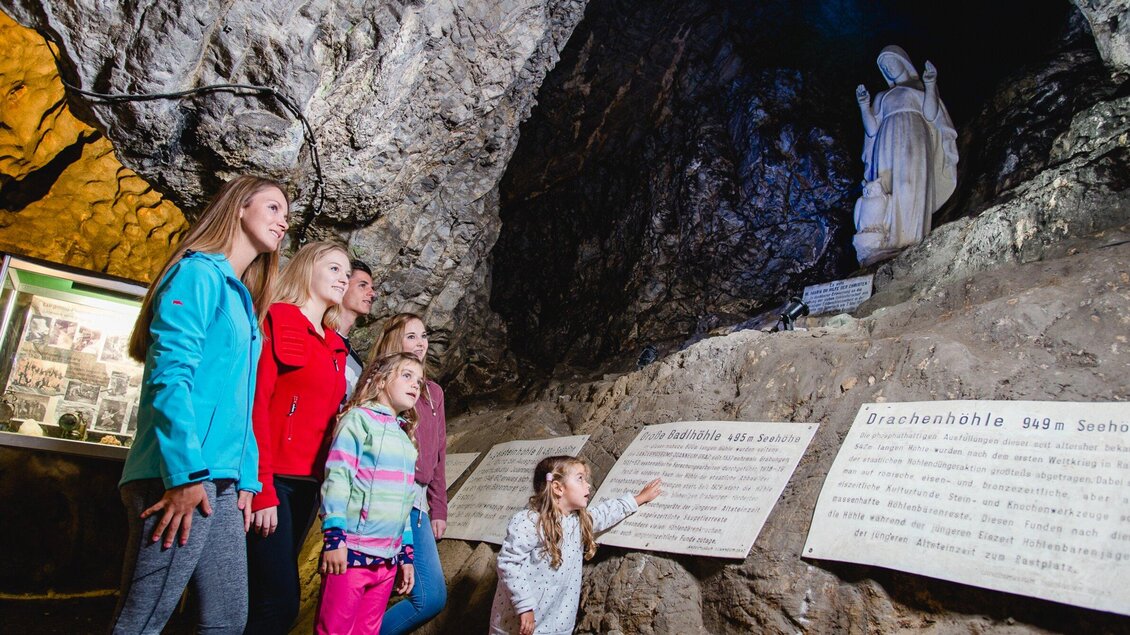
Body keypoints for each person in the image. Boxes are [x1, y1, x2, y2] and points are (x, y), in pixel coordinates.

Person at [110, 175, 289, 634]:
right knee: (143, 618)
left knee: (228, 619)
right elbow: (170, 379)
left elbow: (240, 403)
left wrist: (246, 477)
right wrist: (185, 475)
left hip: (222, 482)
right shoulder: (197, 273)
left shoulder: (244, 301)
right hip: (180, 475)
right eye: (272, 207)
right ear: (239, 207)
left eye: (285, 214)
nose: (282, 220)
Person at [245, 241, 351, 634]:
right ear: (308, 268)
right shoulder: (279, 320)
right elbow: (258, 405)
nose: (344, 278)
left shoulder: (335, 344)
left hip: (310, 484)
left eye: (347, 272)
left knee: (263, 597)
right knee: (279, 602)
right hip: (275, 481)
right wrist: (261, 487)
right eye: (335, 269)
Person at [489, 456, 662, 635]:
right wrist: (524, 607)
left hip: (556, 623)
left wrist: (639, 498)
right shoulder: (530, 521)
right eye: (580, 478)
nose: (587, 485)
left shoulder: (577, 522)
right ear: (557, 488)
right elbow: (509, 564)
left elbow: (605, 513)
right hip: (517, 623)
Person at [316, 352, 422, 634]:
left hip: (387, 559)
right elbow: (338, 478)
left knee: (368, 630)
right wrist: (334, 537)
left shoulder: (405, 438)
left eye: (420, 382)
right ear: (382, 380)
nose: (415, 385)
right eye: (407, 376)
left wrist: (406, 555)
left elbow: (406, 501)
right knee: (334, 629)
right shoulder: (358, 420)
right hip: (351, 552)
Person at [374, 314, 449, 635]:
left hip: (416, 504)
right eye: (411, 337)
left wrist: (439, 506)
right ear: (395, 343)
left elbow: (440, 452)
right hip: (384, 498)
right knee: (373, 589)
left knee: (429, 597)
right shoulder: (385, 389)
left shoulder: (433, 392)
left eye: (424, 336)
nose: (421, 344)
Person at [853, 45, 958, 266]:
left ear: (903, 62)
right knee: (886, 189)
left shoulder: (918, 88)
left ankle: (910, 240)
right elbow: (872, 130)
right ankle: (885, 242)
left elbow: (931, 115)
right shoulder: (882, 96)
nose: (888, 68)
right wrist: (864, 106)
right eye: (883, 67)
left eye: (891, 62)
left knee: (910, 186)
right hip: (886, 143)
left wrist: (930, 85)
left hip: (913, 140)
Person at [337, 259, 375, 399]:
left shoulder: (356, 364)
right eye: (362, 285)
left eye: (372, 288)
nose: (372, 294)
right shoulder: (316, 336)